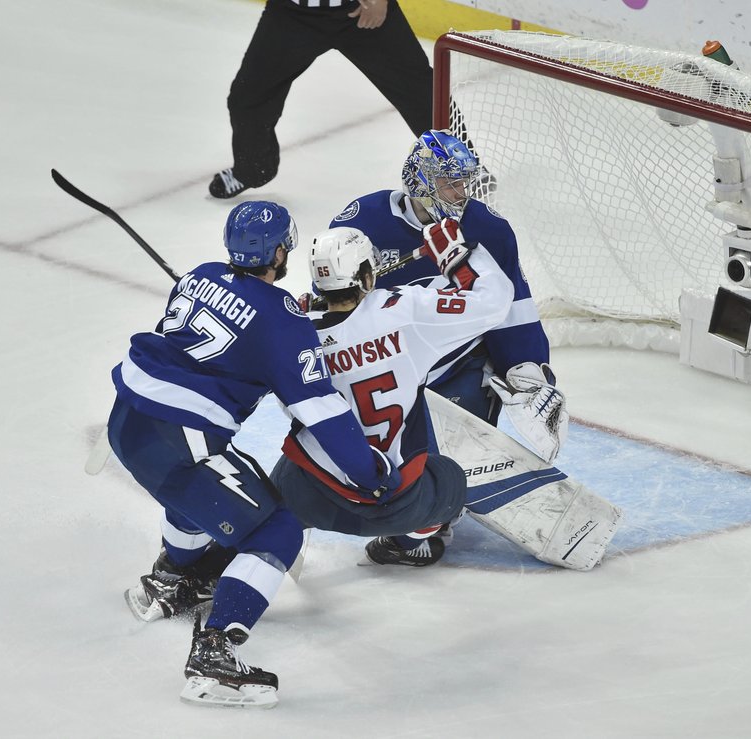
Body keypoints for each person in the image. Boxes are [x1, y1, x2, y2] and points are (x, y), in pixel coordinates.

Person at [107, 200, 399, 708]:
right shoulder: (283, 324)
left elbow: (234, 328)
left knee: (200, 492)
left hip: (129, 421)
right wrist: (368, 471)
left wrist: (280, 325)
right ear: (281, 251)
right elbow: (321, 411)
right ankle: (213, 656)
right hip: (179, 433)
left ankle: (172, 580)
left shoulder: (199, 276)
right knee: (277, 527)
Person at [270, 221, 515, 565]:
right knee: (450, 481)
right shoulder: (403, 311)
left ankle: (230, 553)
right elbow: (494, 303)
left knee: (283, 478)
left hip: (311, 497)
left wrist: (300, 316)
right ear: (367, 277)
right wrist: (458, 259)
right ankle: (407, 542)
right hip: (397, 505)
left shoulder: (294, 335)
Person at [329, 128, 569, 463]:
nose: (460, 193)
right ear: (420, 181)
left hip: (458, 365)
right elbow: (335, 300)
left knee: (445, 464)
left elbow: (514, 307)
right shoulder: (363, 221)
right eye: (449, 183)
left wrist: (527, 372)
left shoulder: (488, 229)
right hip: (387, 368)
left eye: (464, 182)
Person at [209, 0, 433, 199]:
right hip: (292, 15)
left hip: (361, 9)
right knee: (248, 97)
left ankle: (460, 171)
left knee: (423, 94)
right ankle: (252, 170)